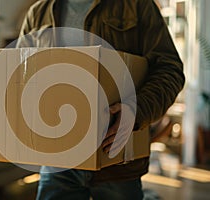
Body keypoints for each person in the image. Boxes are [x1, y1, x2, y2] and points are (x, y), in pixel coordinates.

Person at [16, 0, 185, 199]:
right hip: (57, 162)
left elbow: (169, 69)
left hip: (118, 162)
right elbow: (18, 77)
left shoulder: (137, 6)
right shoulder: (38, 13)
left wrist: (137, 110)